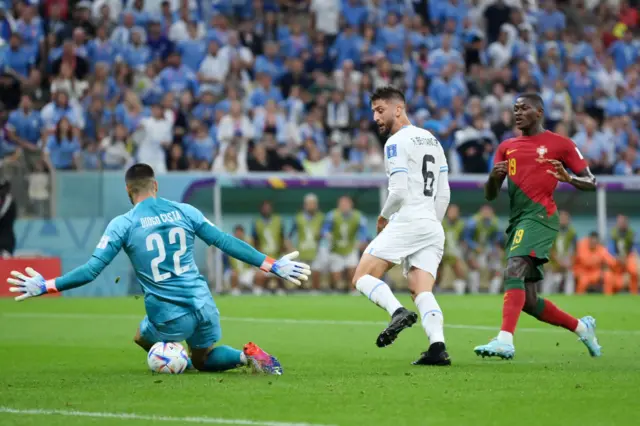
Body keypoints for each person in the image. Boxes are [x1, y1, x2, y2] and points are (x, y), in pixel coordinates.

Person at [7, 164, 311, 374]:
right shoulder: (185, 211)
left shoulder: (123, 224)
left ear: (129, 190)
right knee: (204, 359)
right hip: (204, 305)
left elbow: (90, 271)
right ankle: (247, 355)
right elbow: (225, 241)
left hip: (169, 315)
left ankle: (175, 360)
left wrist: (45, 285)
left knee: (141, 337)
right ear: (156, 186)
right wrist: (272, 265)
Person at [474, 93, 601, 360]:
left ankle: (505, 340)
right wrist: (493, 177)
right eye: (515, 109)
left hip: (541, 215)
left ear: (539, 112)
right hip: (518, 220)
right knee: (529, 302)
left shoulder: (561, 144)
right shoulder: (507, 146)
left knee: (514, 268)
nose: (517, 113)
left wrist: (569, 179)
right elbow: (489, 195)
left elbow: (591, 182)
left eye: (524, 108)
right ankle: (582, 327)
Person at [352, 86, 452, 366]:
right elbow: (444, 193)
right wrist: (432, 223)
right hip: (432, 223)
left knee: (361, 277)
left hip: (408, 217)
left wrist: (383, 217)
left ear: (398, 109)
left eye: (380, 110)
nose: (375, 117)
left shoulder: (395, 142)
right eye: (373, 111)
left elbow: (397, 191)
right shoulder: (432, 140)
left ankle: (396, 311)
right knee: (422, 290)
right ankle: (437, 347)